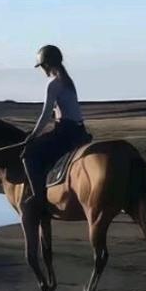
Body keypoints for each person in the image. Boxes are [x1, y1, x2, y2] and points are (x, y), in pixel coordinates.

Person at [22, 44, 90, 206]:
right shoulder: (67, 81)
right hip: (80, 130)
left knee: (29, 154)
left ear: (45, 65)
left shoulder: (53, 83)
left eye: (41, 66)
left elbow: (45, 115)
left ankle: (38, 197)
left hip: (66, 132)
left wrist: (33, 135)